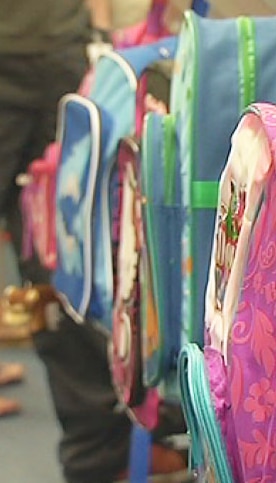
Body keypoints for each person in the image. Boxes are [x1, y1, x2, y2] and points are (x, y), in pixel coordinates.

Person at [0, 1, 186, 481]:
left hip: (54, 40)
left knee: (63, 257)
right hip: (25, 45)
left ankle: (103, 452)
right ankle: (101, 452)